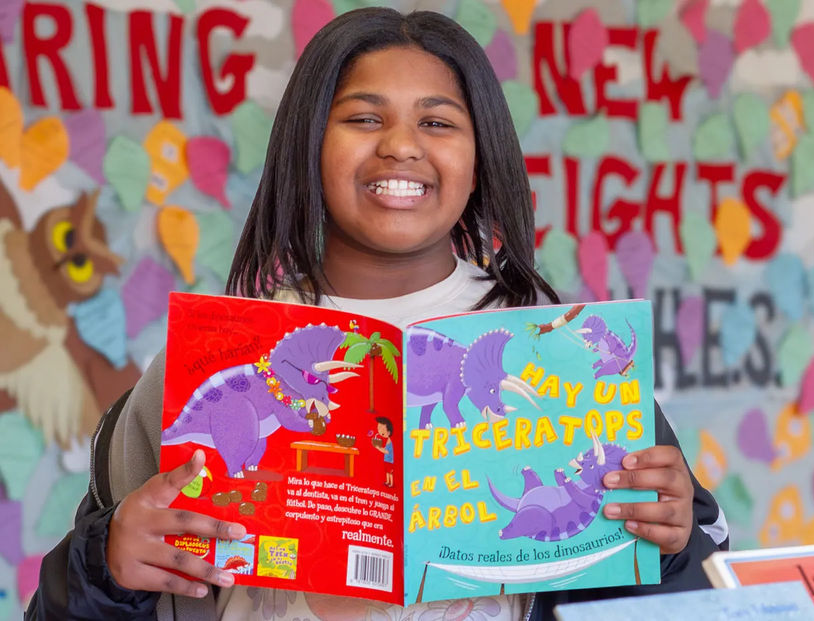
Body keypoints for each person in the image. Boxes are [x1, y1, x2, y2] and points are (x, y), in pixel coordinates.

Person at [26, 8, 728, 620]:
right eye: (364, 117)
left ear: (479, 158)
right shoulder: (205, 366)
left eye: (437, 121)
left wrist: (671, 546)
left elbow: (708, 588)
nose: (400, 144)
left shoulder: (567, 359)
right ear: (309, 147)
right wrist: (107, 561)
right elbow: (62, 607)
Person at [373, 416, 394, 487]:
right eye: (378, 428)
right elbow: (385, 449)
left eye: (382, 429)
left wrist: (379, 448)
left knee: (390, 472)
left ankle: (391, 483)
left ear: (388, 432)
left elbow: (387, 451)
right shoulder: (387, 441)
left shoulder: (389, 441)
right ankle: (388, 482)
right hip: (386, 460)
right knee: (387, 472)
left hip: (389, 461)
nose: (379, 431)